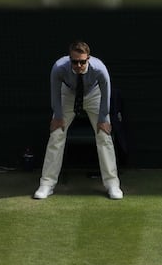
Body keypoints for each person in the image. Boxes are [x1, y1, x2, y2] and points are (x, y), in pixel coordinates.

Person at [33, 41, 123, 200]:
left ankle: (112, 183)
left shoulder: (99, 69)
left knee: (104, 135)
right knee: (56, 135)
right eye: (75, 61)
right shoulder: (59, 68)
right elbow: (55, 93)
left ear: (88, 58)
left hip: (93, 94)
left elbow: (105, 94)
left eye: (82, 61)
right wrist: (58, 117)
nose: (79, 65)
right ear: (70, 59)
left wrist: (103, 119)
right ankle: (47, 183)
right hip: (67, 93)